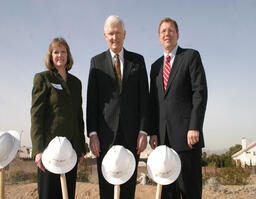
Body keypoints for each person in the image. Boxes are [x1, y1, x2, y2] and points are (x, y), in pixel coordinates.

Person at [86, 15, 150, 199]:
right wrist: (93, 134)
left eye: (118, 33)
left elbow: (143, 98)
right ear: (105, 36)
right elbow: (92, 101)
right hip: (105, 137)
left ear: (125, 34)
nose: (115, 37)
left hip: (132, 136)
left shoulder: (138, 61)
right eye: (111, 34)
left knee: (128, 187)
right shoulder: (96, 62)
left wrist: (143, 131)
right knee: (107, 187)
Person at [149, 18, 208, 199]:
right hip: (163, 141)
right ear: (159, 37)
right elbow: (153, 101)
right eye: (163, 31)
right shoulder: (155, 66)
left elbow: (200, 92)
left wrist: (194, 126)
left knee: (190, 189)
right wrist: (153, 132)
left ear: (178, 35)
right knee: (168, 192)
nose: (167, 34)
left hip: (187, 138)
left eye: (171, 30)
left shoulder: (190, 56)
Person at [30, 37, 87, 199]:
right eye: (56, 52)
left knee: (67, 194)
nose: (60, 55)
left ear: (68, 55)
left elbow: (78, 116)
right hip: (49, 151)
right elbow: (36, 116)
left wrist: (81, 147)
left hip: (70, 151)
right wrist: (38, 150)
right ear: (51, 55)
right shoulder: (43, 78)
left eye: (63, 52)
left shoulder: (76, 83)